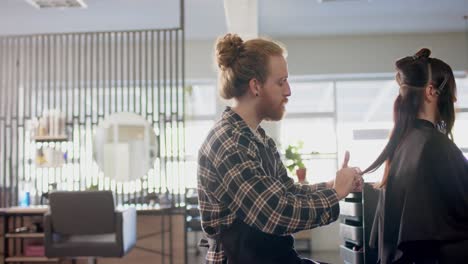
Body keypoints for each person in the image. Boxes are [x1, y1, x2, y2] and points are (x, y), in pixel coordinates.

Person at [197, 33, 362, 264]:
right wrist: (336, 194)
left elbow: (286, 192)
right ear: (256, 86)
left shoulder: (258, 139)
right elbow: (274, 213)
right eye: (281, 82)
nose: (288, 91)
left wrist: (333, 184)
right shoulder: (230, 142)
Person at [363, 48, 468, 264]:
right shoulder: (436, 145)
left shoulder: (402, 143)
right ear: (431, 92)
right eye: (450, 92)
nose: (454, 99)